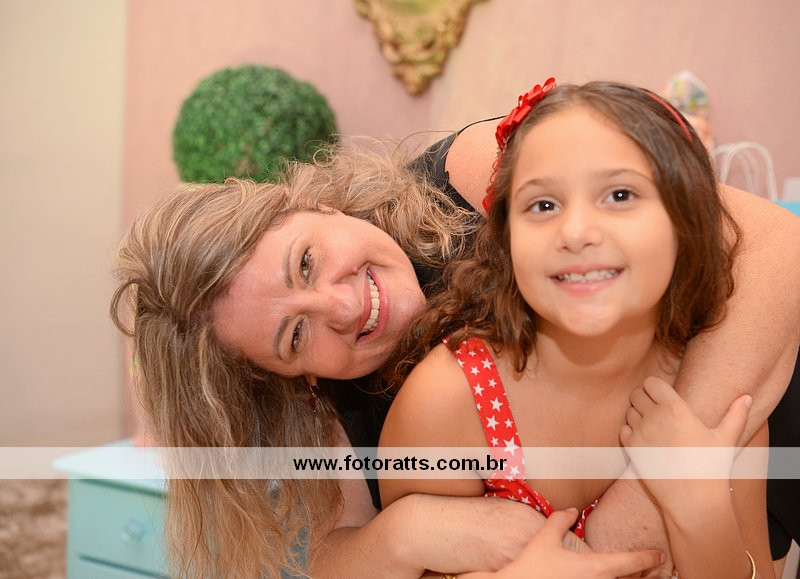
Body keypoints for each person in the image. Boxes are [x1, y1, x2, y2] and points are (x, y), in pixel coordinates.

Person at [111, 86, 800, 577]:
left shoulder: (481, 174)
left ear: (313, 203)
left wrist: (639, 512)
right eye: (294, 336)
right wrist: (407, 532)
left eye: (307, 261)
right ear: (290, 378)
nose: (341, 306)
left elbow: (776, 246)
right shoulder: (395, 406)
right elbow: (333, 554)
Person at [379, 79, 771, 577]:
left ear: (686, 219)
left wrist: (702, 512)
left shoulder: (716, 385)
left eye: (620, 194)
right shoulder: (449, 404)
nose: (577, 232)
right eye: (543, 205)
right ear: (507, 238)